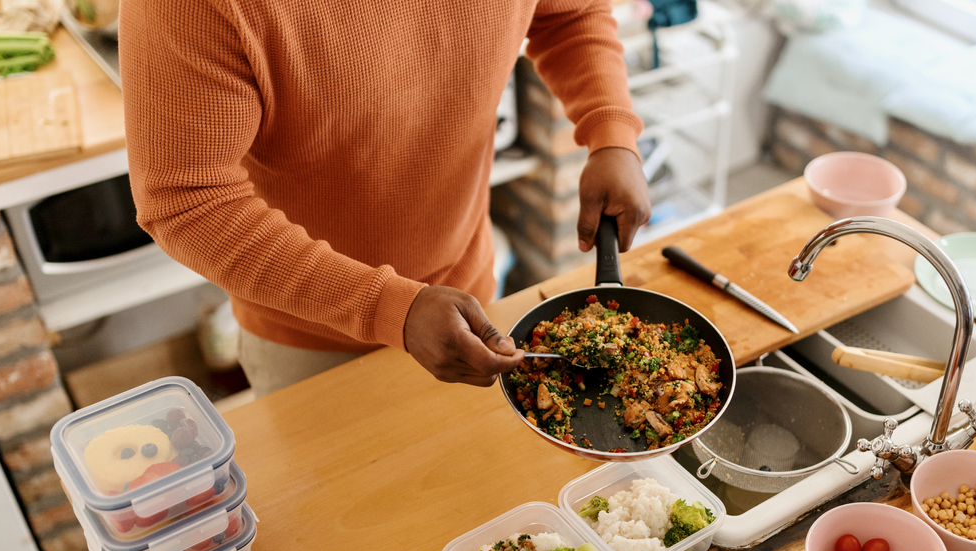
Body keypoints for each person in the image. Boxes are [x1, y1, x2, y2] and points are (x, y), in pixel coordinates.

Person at [119, 0, 651, 397]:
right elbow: (186, 198)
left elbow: (570, 14)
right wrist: (387, 307)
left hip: (469, 289)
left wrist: (611, 132)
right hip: (313, 344)